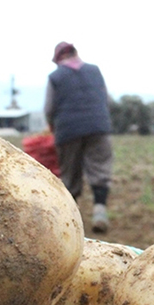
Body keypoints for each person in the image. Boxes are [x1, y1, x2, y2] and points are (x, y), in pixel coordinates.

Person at [44, 41, 113, 233]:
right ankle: (100, 212)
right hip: (99, 127)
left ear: (59, 59)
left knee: (70, 174)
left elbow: (49, 108)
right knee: (100, 170)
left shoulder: (55, 77)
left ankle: (70, 221)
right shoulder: (94, 70)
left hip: (68, 130)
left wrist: (52, 126)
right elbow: (106, 100)